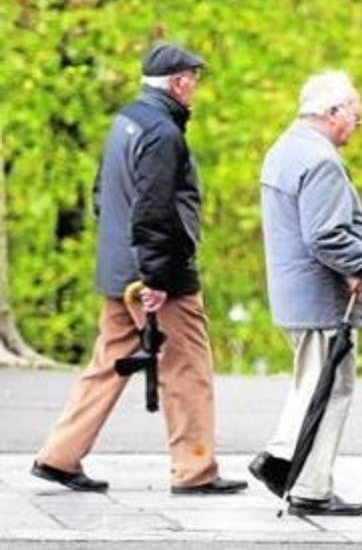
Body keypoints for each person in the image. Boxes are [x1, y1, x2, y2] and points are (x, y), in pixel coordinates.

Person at [31, 43, 247, 495]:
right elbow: (153, 210)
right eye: (193, 78)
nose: (196, 88)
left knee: (107, 362)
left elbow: (100, 194)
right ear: (177, 82)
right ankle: (195, 469)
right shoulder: (163, 134)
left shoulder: (126, 121)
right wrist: (156, 277)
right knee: (187, 366)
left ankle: (59, 455)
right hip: (156, 277)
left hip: (119, 268)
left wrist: (125, 260)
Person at [248, 71, 362, 517]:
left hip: (294, 295)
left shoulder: (284, 149)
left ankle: (287, 462)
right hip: (321, 299)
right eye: (355, 117)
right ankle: (304, 480)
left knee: (312, 382)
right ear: (332, 111)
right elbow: (326, 234)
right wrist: (361, 264)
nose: (357, 127)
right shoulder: (320, 160)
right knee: (330, 387)